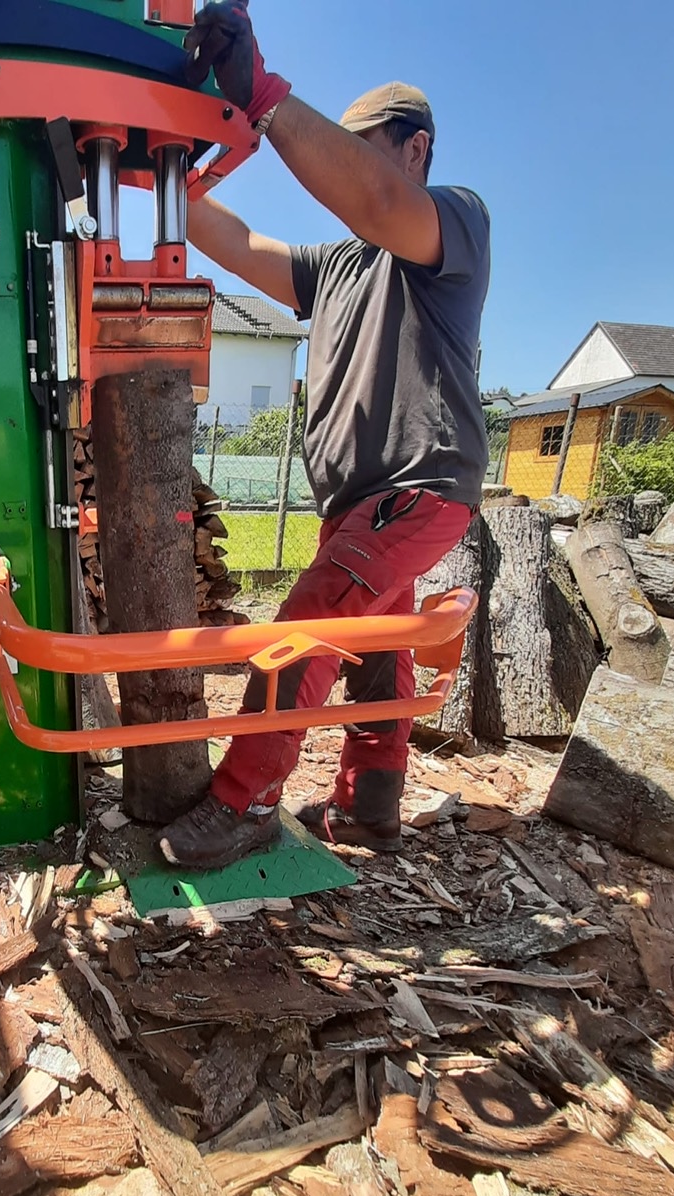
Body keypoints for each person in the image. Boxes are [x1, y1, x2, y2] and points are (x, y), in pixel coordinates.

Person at [157, 1, 491, 869]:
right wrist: (161, 163)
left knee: (296, 632)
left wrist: (264, 97)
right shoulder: (338, 263)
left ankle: (244, 803)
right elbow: (233, 242)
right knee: (375, 652)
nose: (332, 175)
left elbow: (378, 197)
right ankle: (372, 804)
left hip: (415, 490)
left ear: (413, 147)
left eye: (358, 148)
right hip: (360, 504)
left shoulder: (450, 220)